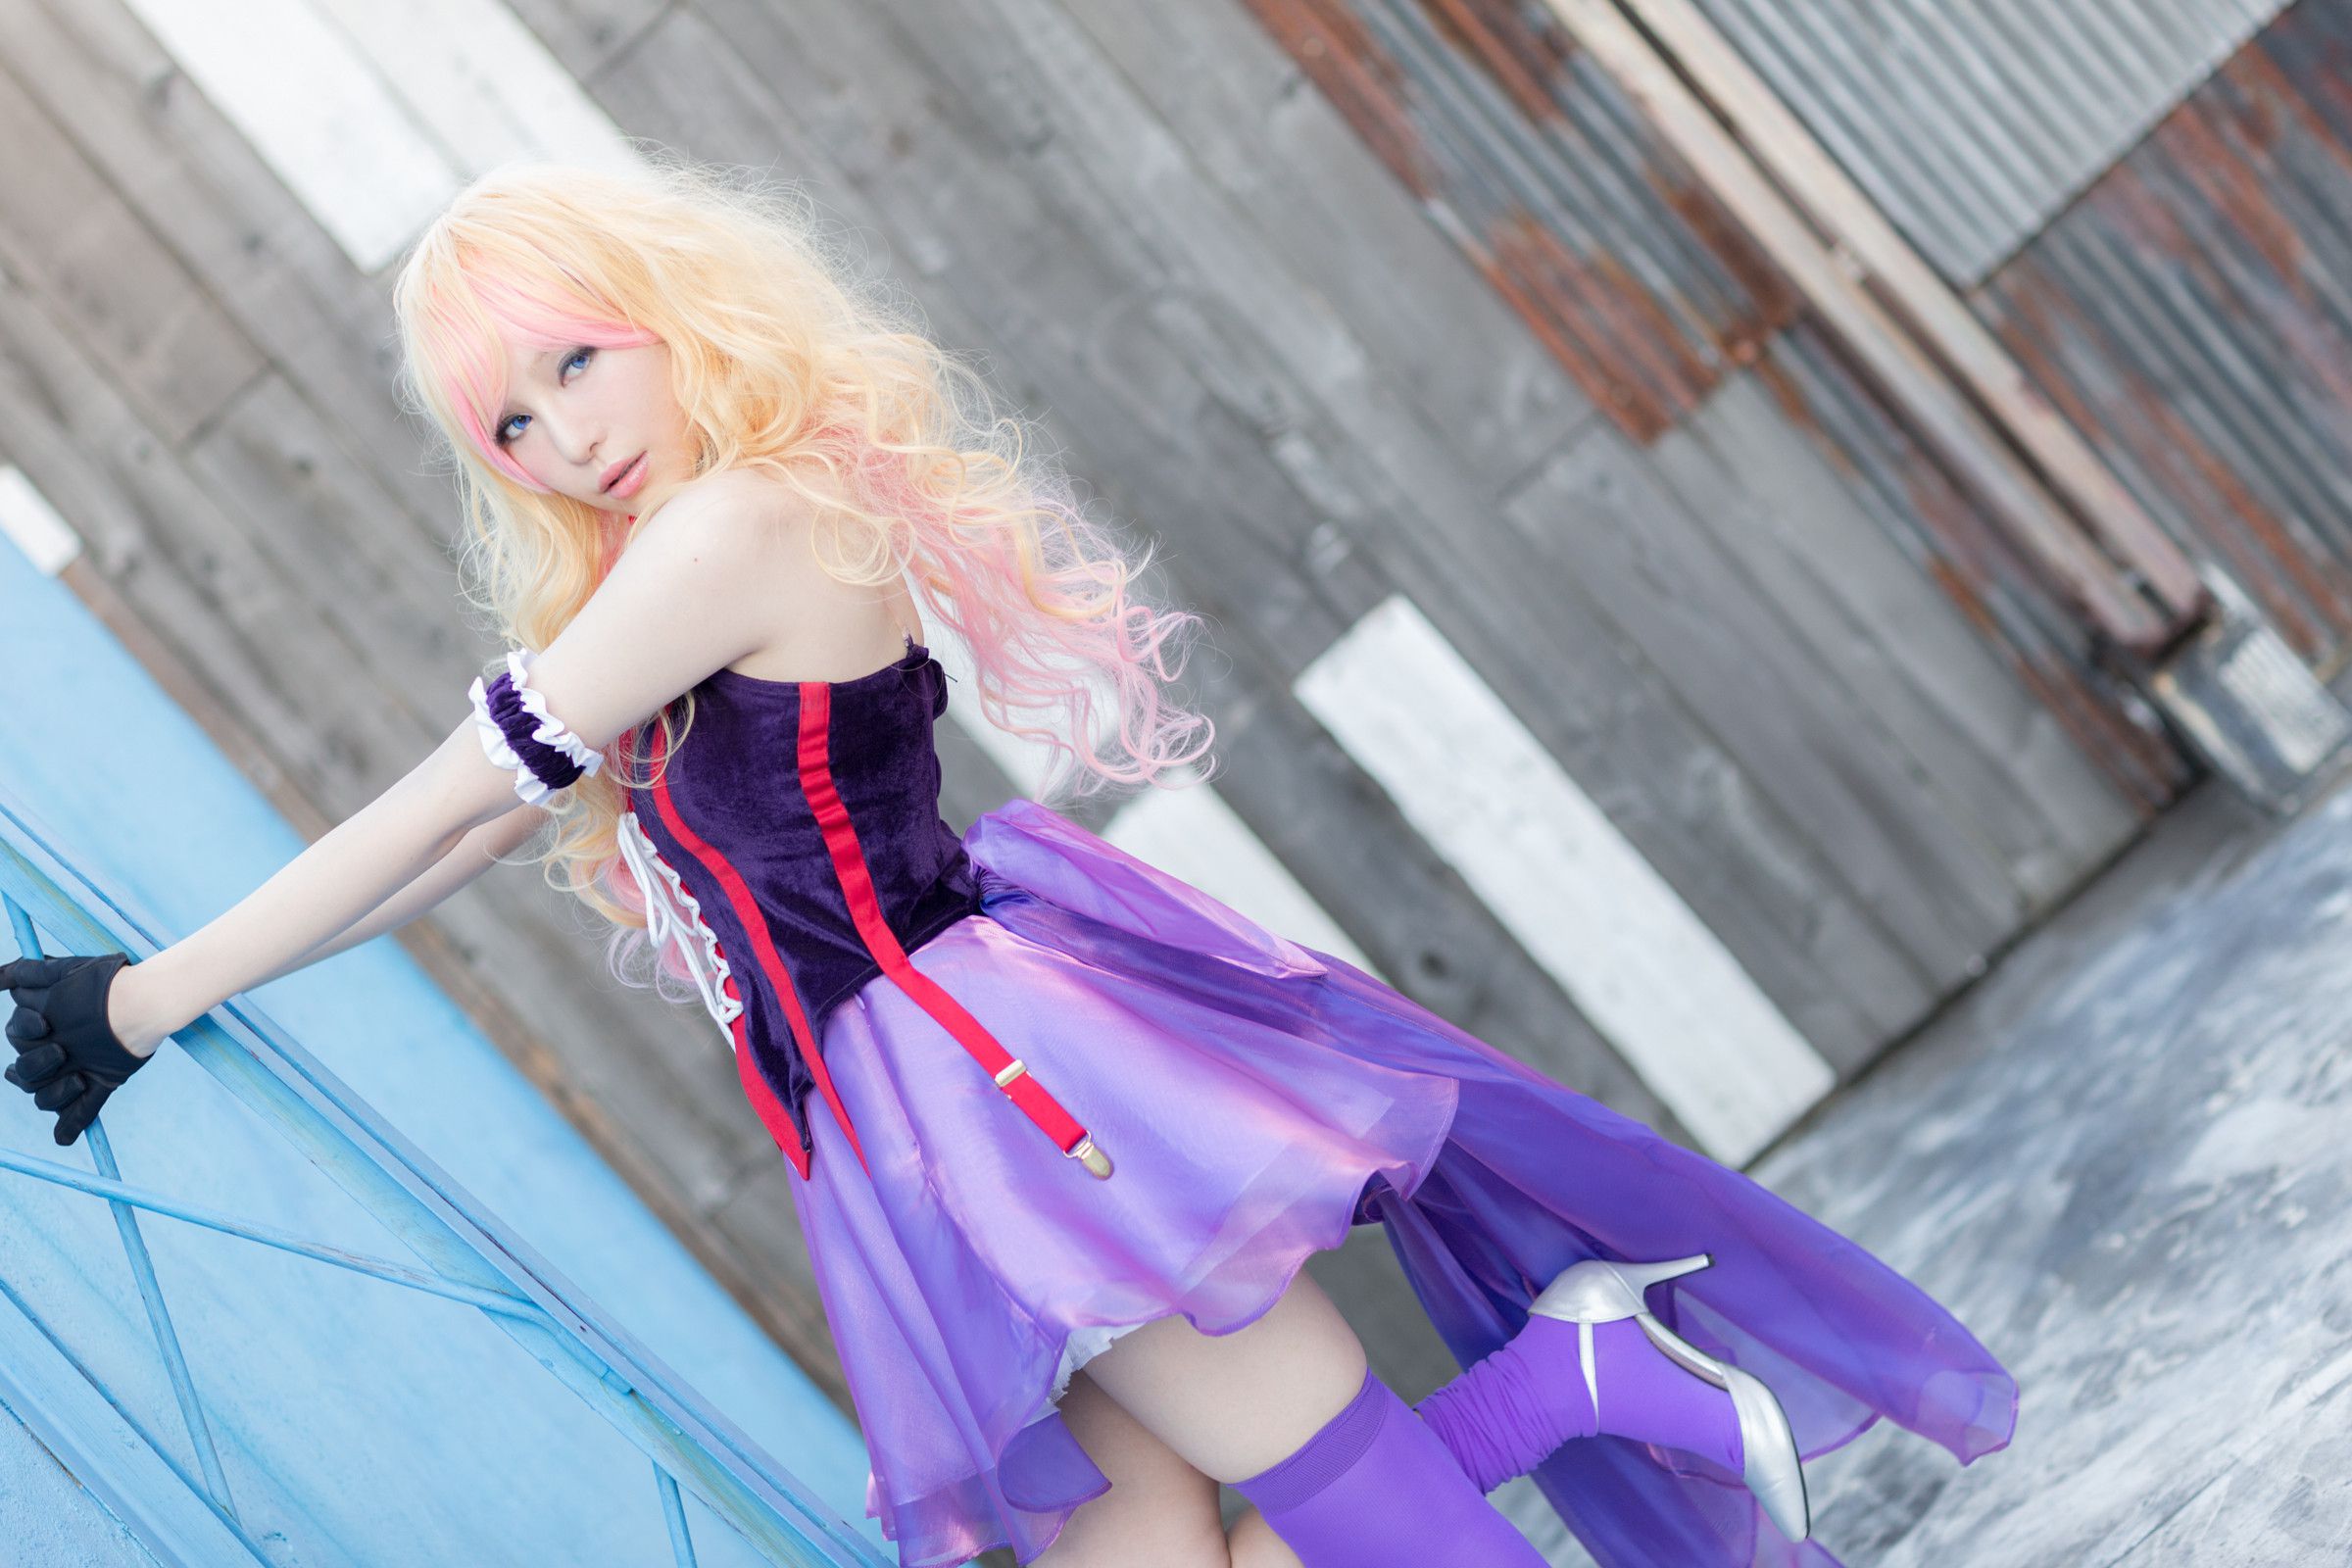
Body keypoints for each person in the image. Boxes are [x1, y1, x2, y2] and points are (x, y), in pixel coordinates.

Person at [0, 155, 2015, 1568]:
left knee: (1372, 1518)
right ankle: (1570, 1369)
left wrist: (151, 993)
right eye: (510, 422)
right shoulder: (678, 577)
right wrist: (168, 990)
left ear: (666, 316)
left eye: (575, 361)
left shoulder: (730, 533)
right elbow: (468, 832)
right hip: (924, 1126)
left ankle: (1575, 1368)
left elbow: (453, 789)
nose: (560, 434)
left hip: (996, 1098)